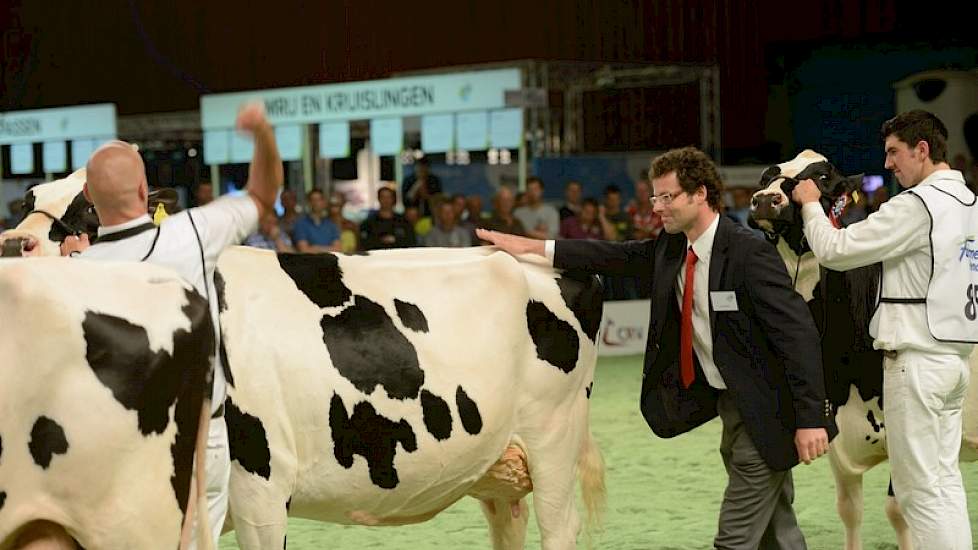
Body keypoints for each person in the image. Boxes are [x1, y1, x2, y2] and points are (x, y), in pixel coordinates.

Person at [479, 146, 833, 549]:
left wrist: (811, 418)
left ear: (700, 194)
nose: (657, 207)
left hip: (773, 407)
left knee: (735, 536)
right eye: (655, 197)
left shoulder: (749, 252)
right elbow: (609, 256)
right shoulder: (672, 248)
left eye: (667, 197)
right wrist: (529, 248)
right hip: (731, 404)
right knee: (776, 527)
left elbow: (797, 335)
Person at [60, 101, 282, 549]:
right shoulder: (194, 235)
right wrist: (261, 133)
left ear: (88, 196)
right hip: (201, 440)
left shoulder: (75, 272)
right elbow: (262, 193)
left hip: (118, 449)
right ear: (145, 190)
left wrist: (66, 263)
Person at [791, 109, 974, 550]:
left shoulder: (917, 206)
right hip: (955, 364)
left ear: (922, 149)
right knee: (945, 484)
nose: (888, 164)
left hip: (917, 364)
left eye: (894, 153)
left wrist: (812, 204)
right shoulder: (968, 202)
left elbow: (835, 250)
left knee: (919, 493)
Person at [293, 189, 341, 253]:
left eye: (319, 200)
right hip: (310, 261)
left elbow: (338, 249)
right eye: (313, 200)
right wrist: (329, 249)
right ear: (308, 202)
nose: (316, 203)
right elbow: (304, 250)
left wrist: (315, 248)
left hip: (330, 261)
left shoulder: (331, 224)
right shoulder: (301, 224)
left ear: (324, 202)